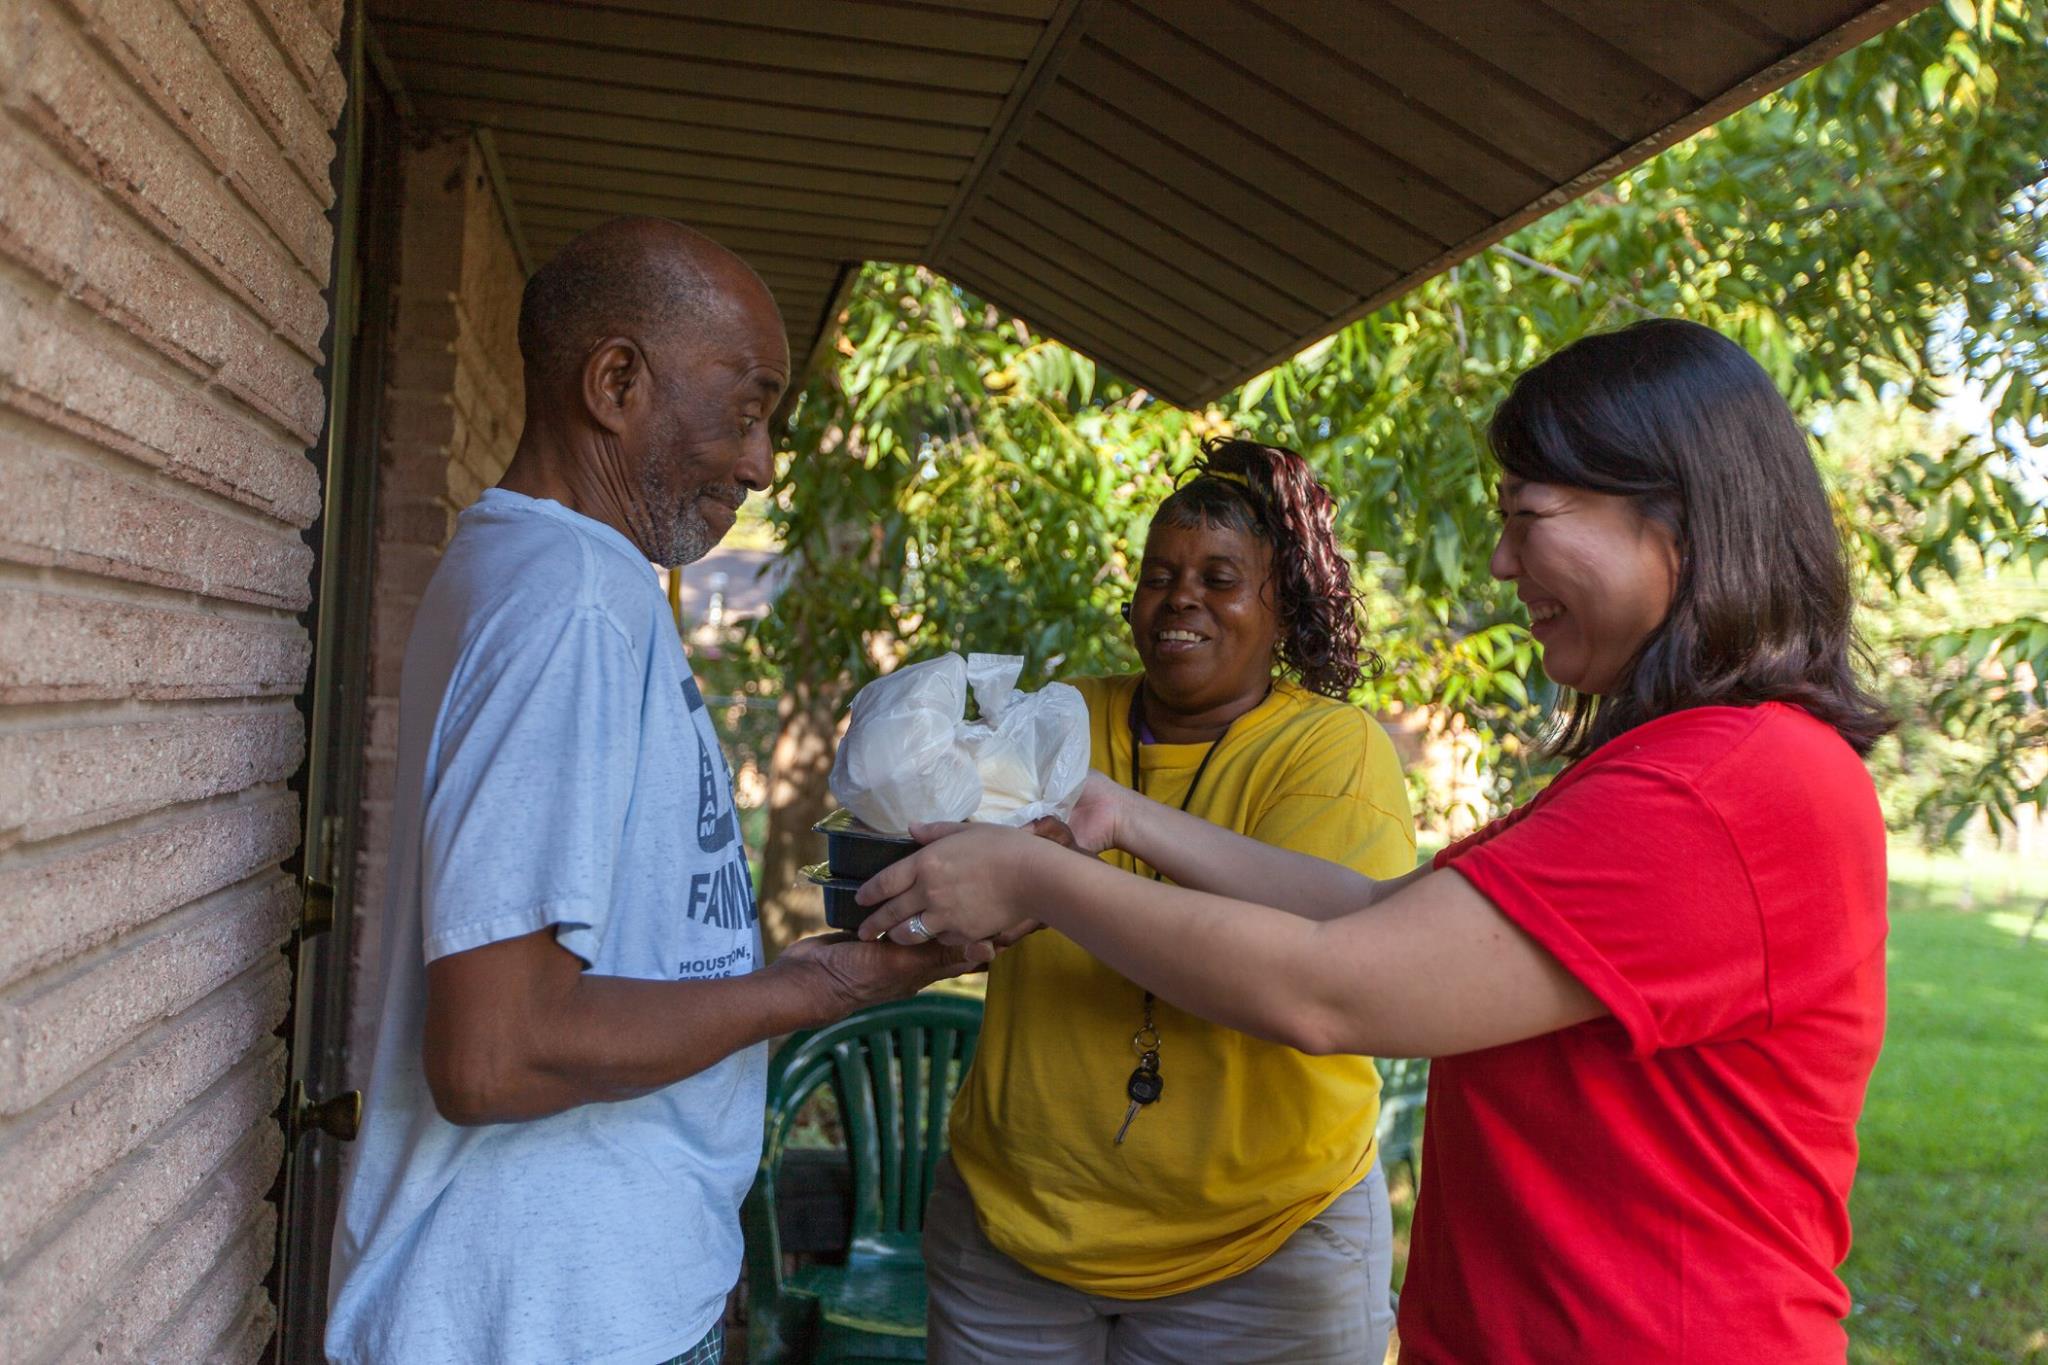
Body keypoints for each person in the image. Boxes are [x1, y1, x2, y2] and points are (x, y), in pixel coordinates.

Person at [861, 319, 1893, 1364]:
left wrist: (1036, 874)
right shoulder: (1685, 769)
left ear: (1670, 515)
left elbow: (1331, 990)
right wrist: (1119, 817)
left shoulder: (1714, 790)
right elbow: (1380, 913)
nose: (1499, 562)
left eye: (1525, 515)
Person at [326, 218, 985, 1365]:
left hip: (592, 1294)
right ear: (615, 381)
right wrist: (821, 984)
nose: (760, 461)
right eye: (745, 406)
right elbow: (496, 1053)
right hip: (536, 1323)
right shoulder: (571, 601)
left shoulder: (560, 578)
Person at [926, 439, 1414, 1363]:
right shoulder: (1060, 719)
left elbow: (1304, 974)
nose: (1181, 597)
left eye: (1220, 577)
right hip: (1016, 1235)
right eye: (1160, 575)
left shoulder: (1333, 751)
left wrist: (1061, 873)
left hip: (1260, 1253)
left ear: (1285, 611)